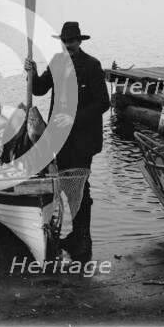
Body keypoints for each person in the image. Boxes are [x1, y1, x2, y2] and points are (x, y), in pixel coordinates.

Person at [24, 22, 110, 261]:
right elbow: (40, 89)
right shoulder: (57, 62)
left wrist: (73, 119)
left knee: (80, 187)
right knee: (62, 184)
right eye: (65, 41)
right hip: (59, 139)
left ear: (80, 42)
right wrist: (31, 72)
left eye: (72, 41)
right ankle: (75, 236)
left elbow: (104, 103)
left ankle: (83, 239)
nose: (68, 45)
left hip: (83, 140)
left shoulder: (92, 66)